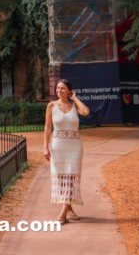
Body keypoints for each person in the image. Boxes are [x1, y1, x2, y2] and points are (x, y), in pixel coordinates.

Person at [44, 79, 90, 224]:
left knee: (70, 178)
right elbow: (47, 128)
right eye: (57, 88)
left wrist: (75, 98)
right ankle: (69, 209)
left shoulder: (74, 106)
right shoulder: (51, 105)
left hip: (74, 146)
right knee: (62, 179)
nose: (59, 91)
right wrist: (45, 147)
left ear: (69, 91)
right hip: (58, 146)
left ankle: (63, 213)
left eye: (62, 88)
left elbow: (86, 112)